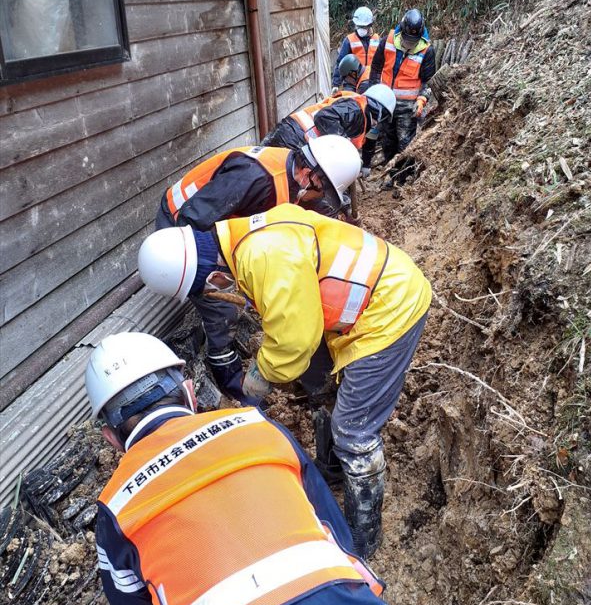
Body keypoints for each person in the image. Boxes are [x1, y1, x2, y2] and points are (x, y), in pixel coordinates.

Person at [86, 332, 405, 605]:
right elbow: (337, 536)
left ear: (111, 438)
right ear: (190, 393)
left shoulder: (115, 507)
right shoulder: (260, 427)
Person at [138, 203, 432, 559]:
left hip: (390, 307)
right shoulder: (240, 239)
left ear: (211, 276)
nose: (217, 291)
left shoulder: (263, 256)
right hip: (359, 302)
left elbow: (293, 342)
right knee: (321, 386)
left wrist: (261, 375)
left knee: (353, 430)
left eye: (210, 289)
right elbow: (292, 316)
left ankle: (363, 538)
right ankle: (332, 470)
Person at [156, 137, 361, 399]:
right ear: (309, 176)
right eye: (322, 192)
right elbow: (193, 218)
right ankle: (238, 389)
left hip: (220, 226)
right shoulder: (254, 178)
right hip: (182, 230)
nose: (321, 198)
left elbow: (315, 207)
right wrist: (220, 272)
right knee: (221, 311)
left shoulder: (295, 176)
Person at [261, 84, 396, 176]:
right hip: (295, 138)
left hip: (292, 133)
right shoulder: (355, 109)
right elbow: (324, 117)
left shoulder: (357, 107)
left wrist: (364, 163)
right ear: (381, 112)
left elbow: (368, 143)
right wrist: (343, 146)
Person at [369, 8, 436, 180]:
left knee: (405, 143)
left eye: (413, 41)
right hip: (385, 103)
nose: (409, 43)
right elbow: (376, 68)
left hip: (407, 106)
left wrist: (422, 99)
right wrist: (374, 91)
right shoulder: (388, 41)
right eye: (407, 39)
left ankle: (403, 179)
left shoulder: (426, 51)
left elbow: (428, 81)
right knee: (387, 141)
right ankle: (391, 176)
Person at [332, 5, 380, 90]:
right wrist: (336, 84)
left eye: (363, 26)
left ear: (370, 25)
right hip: (351, 82)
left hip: (370, 81)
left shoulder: (377, 40)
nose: (361, 29)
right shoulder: (349, 40)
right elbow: (340, 62)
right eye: (359, 26)